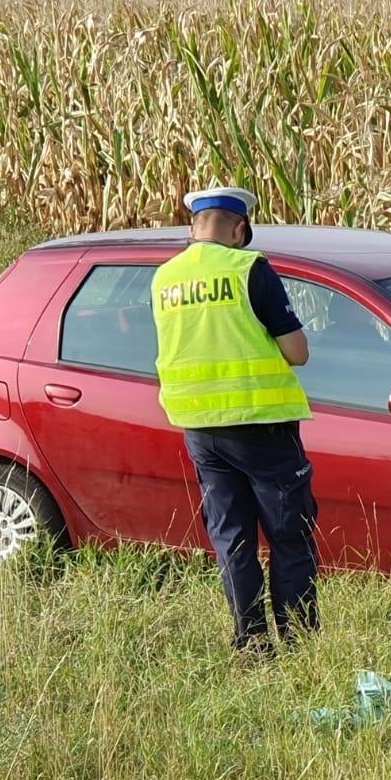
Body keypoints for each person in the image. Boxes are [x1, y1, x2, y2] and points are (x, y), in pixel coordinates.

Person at [151, 185, 319, 656]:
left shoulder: (165, 277)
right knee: (289, 537)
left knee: (233, 538)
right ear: (239, 230)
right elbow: (297, 352)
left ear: (193, 228)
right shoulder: (249, 268)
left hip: (200, 428)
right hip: (260, 423)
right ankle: (299, 646)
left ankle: (251, 643)